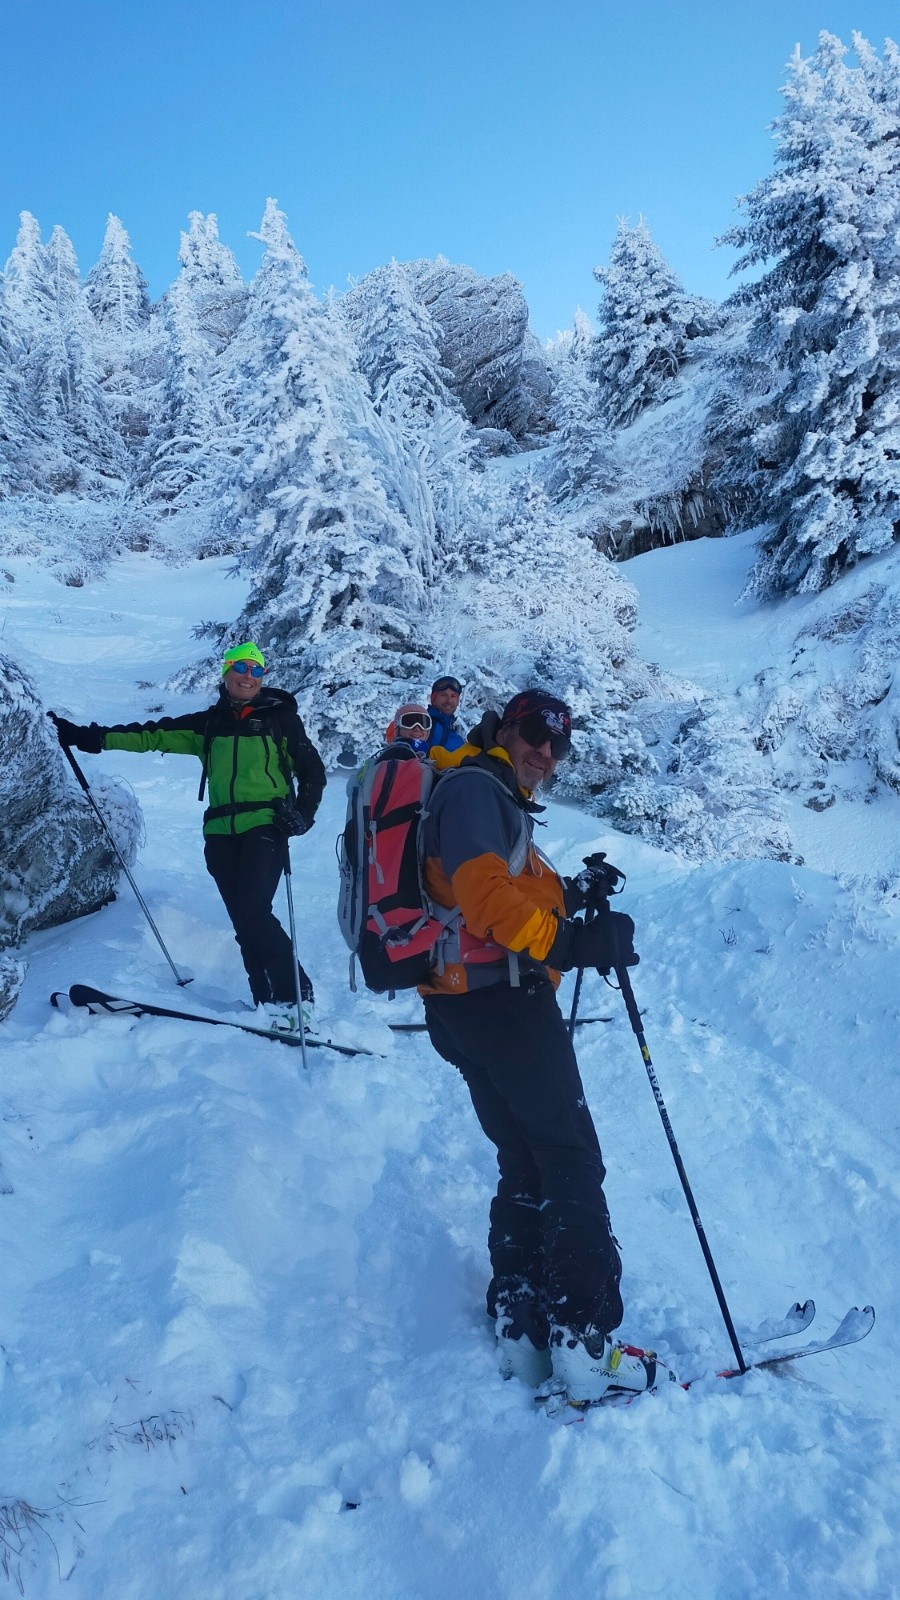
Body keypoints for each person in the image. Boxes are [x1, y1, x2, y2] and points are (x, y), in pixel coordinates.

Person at [419, 688, 657, 1402]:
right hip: (504, 1007)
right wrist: (578, 941)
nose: (546, 753)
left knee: (525, 1154)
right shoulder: (472, 791)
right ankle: (584, 1341)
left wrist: (570, 900)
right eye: (535, 734)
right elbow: (488, 901)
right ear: (505, 727)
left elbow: (501, 892)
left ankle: (522, 1322)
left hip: (464, 1007)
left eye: (560, 745)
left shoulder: (489, 797)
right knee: (571, 1155)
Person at [50, 642, 326, 1030]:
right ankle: (266, 1004)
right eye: (241, 668)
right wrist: (89, 737)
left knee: (253, 910)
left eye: (257, 670)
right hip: (219, 833)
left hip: (265, 825)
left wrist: (303, 815)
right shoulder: (208, 724)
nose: (249, 676)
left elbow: (313, 773)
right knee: (244, 920)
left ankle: (295, 997)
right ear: (226, 674)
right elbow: (152, 735)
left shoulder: (280, 720)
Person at [426, 675, 465, 756]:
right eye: (443, 695)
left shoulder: (450, 728)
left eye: (453, 696)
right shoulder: (425, 724)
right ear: (433, 698)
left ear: (457, 701)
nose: (449, 700)